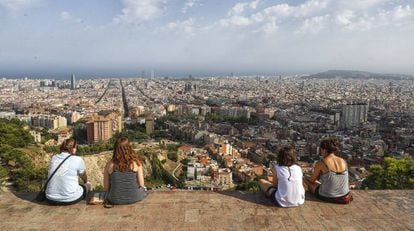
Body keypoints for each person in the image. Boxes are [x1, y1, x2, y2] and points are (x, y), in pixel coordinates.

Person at [303, 137, 352, 203]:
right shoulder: (343, 161)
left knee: (305, 179)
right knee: (318, 183)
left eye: (321, 149)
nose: (320, 152)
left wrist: (306, 176)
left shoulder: (321, 163)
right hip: (344, 195)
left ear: (324, 150)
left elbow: (312, 180)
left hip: (328, 196)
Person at [46, 138, 91, 205]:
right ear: (73, 148)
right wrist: (86, 182)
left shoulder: (54, 158)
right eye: (76, 147)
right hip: (70, 198)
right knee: (88, 185)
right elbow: (83, 176)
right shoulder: (77, 159)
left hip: (50, 198)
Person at [103, 137, 147, 205]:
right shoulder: (136, 163)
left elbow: (106, 188)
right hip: (135, 197)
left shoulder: (109, 164)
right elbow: (141, 184)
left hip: (114, 199)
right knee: (144, 189)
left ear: (115, 149)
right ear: (129, 148)